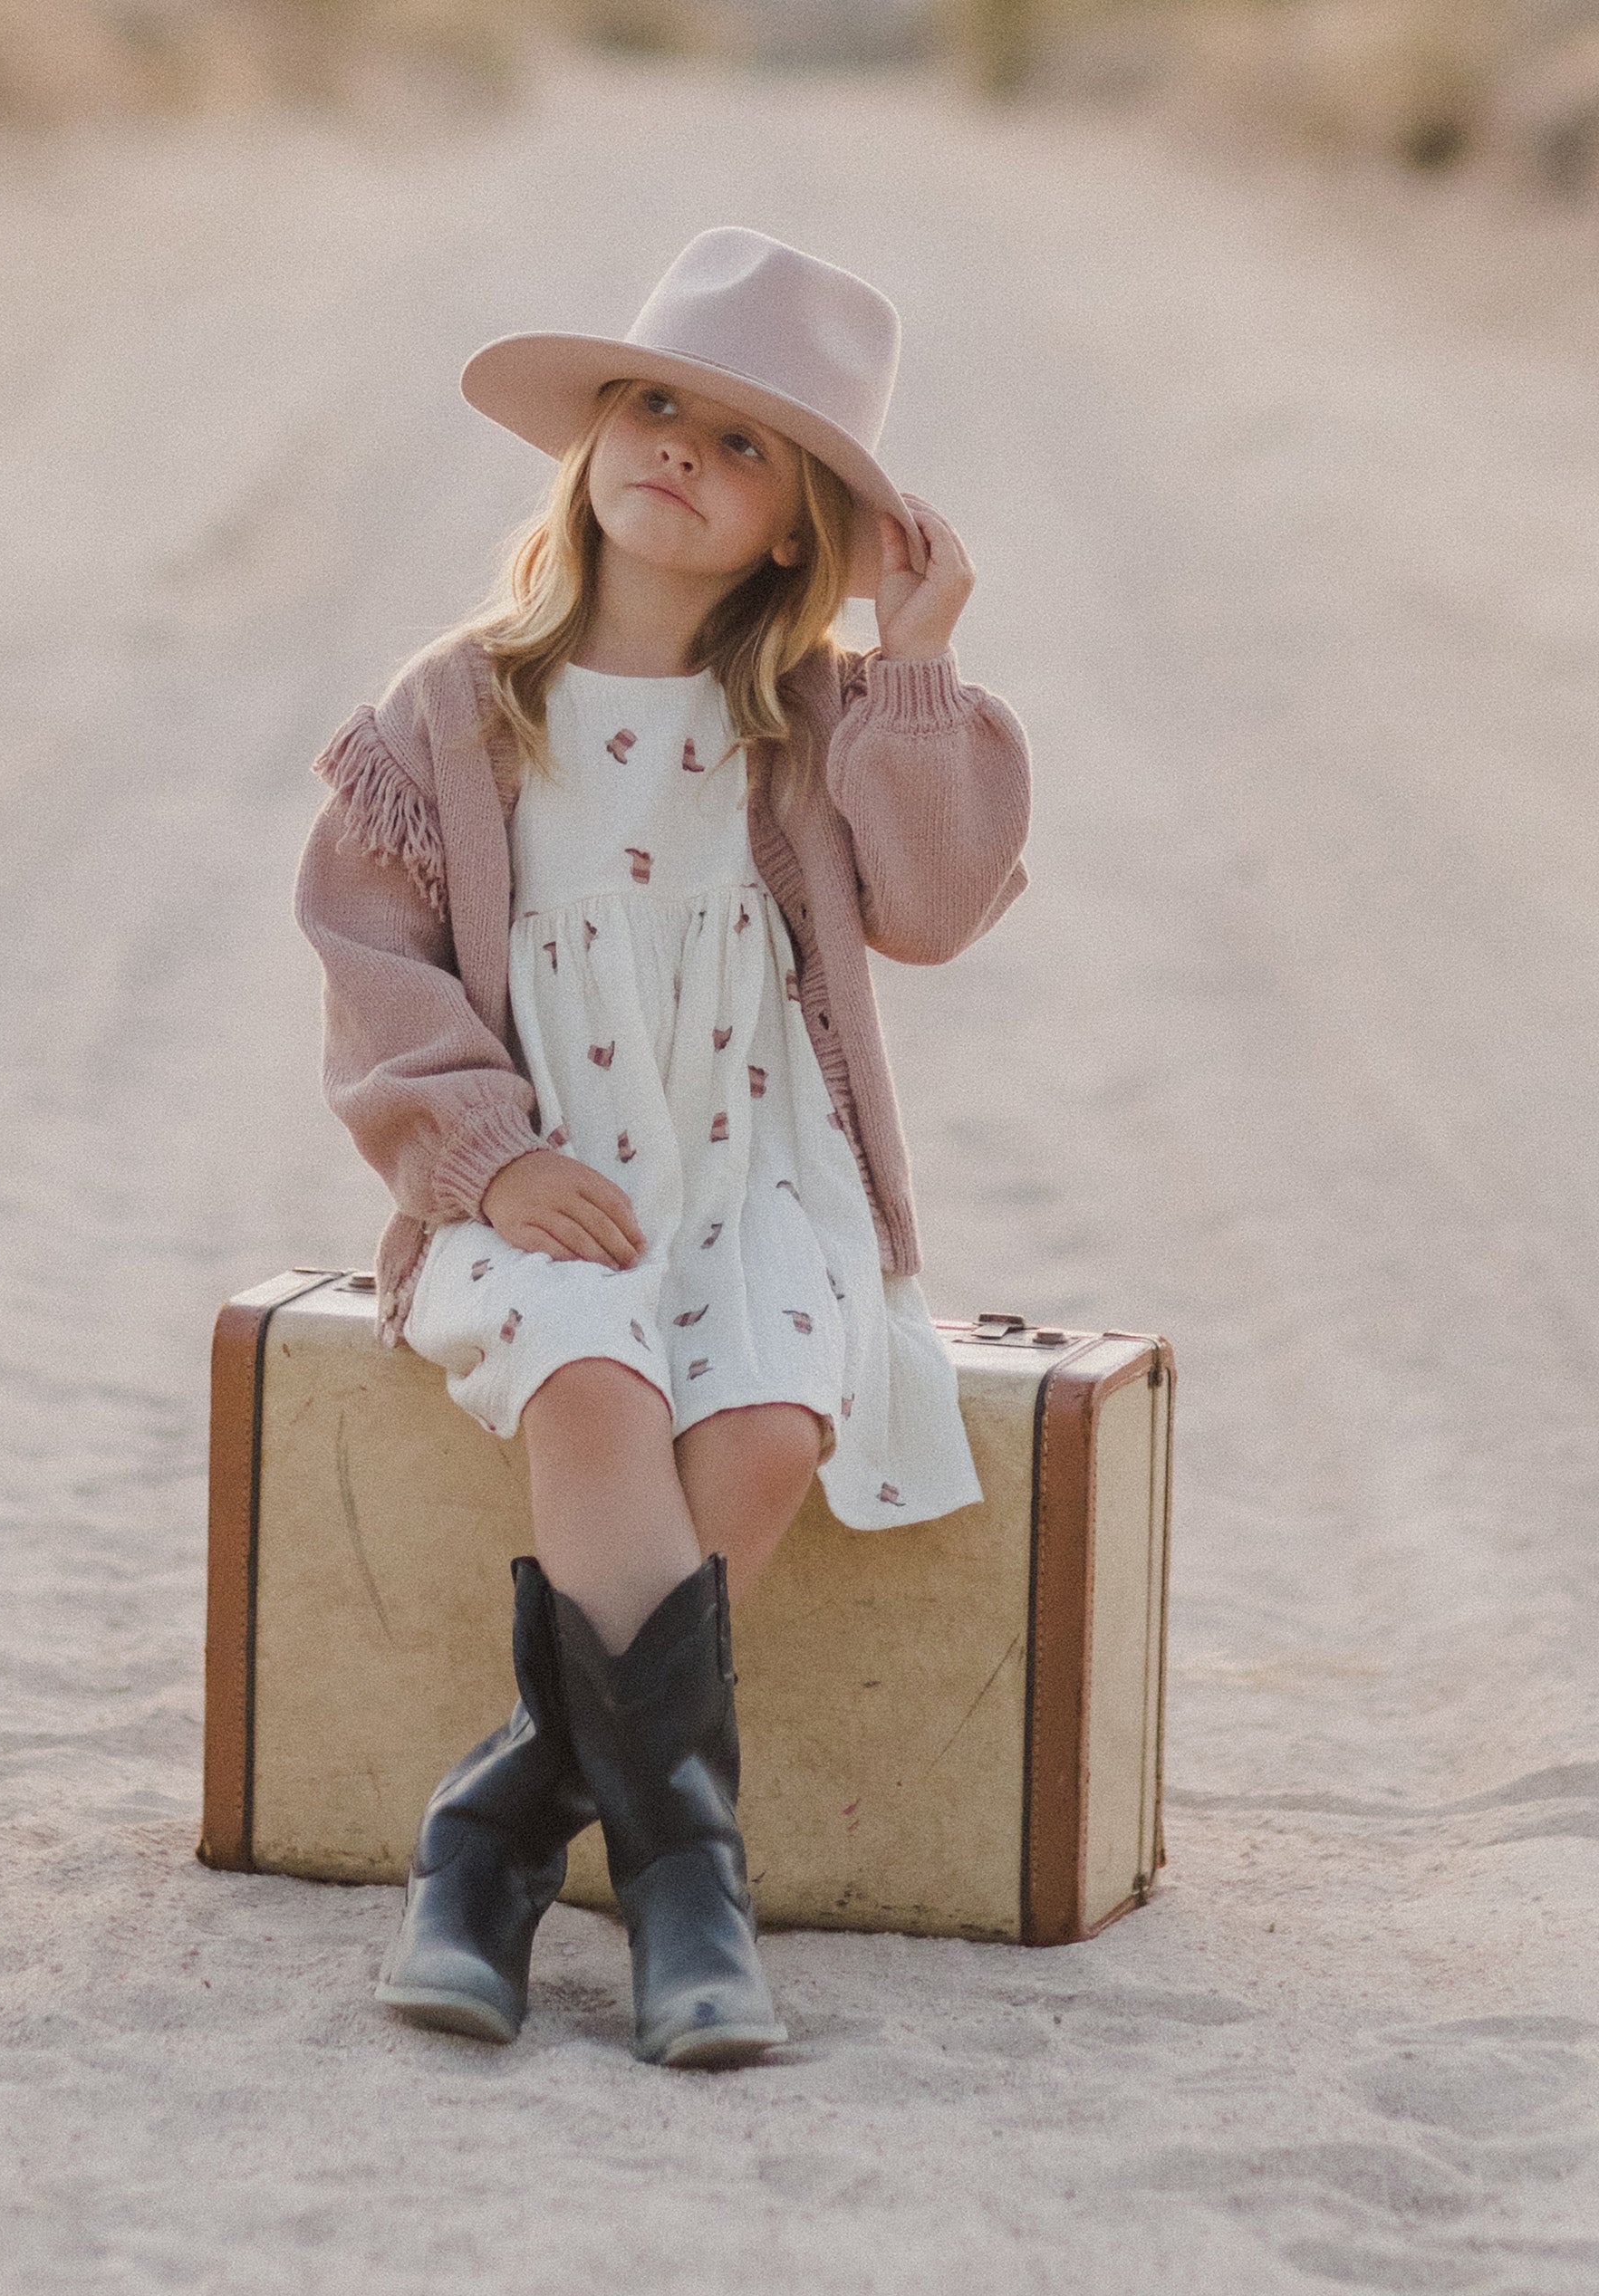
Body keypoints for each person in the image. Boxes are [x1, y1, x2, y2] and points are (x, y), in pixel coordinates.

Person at [293, 226, 1032, 2068]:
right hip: (549, 1171)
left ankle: (500, 1825)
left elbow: (937, 907)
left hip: (760, 1173)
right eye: (655, 403)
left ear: (797, 524)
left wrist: (918, 660)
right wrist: (482, 1151)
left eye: (743, 440)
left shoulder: (818, 722)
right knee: (601, 1393)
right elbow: (368, 955)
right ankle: (691, 1879)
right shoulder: (457, 709)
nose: (681, 448)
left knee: (770, 1425)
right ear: (592, 441)